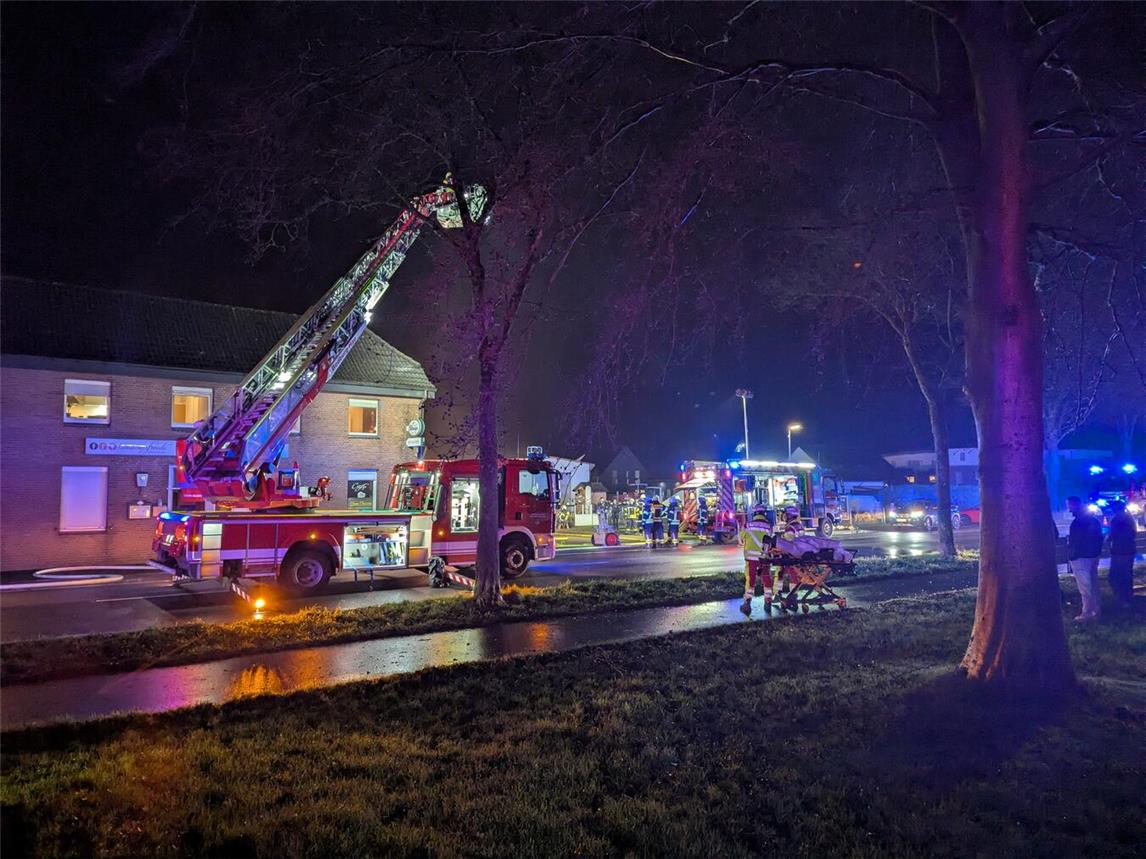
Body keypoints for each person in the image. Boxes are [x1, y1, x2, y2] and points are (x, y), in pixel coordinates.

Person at [1067, 496, 1104, 622]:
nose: (1068, 508)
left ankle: (1087, 612)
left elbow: (1076, 541)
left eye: (1069, 505)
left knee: (1085, 586)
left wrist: (1073, 554)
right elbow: (1099, 537)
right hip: (1092, 556)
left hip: (1081, 557)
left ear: (1074, 505)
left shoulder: (1078, 522)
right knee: (1093, 584)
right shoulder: (1092, 520)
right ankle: (1096, 609)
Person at [741, 505, 775, 614]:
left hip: (751, 559)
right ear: (764, 514)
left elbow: (741, 538)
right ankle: (768, 602)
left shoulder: (748, 525)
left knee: (750, 580)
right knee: (766, 578)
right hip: (764, 558)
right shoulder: (769, 527)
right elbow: (771, 542)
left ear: (754, 514)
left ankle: (747, 602)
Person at [1106, 499, 1137, 611]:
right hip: (1129, 550)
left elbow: (1111, 536)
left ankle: (1121, 599)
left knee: (1116, 576)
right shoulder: (1130, 519)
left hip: (1119, 551)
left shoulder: (1117, 520)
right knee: (1127, 575)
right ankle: (1128, 598)